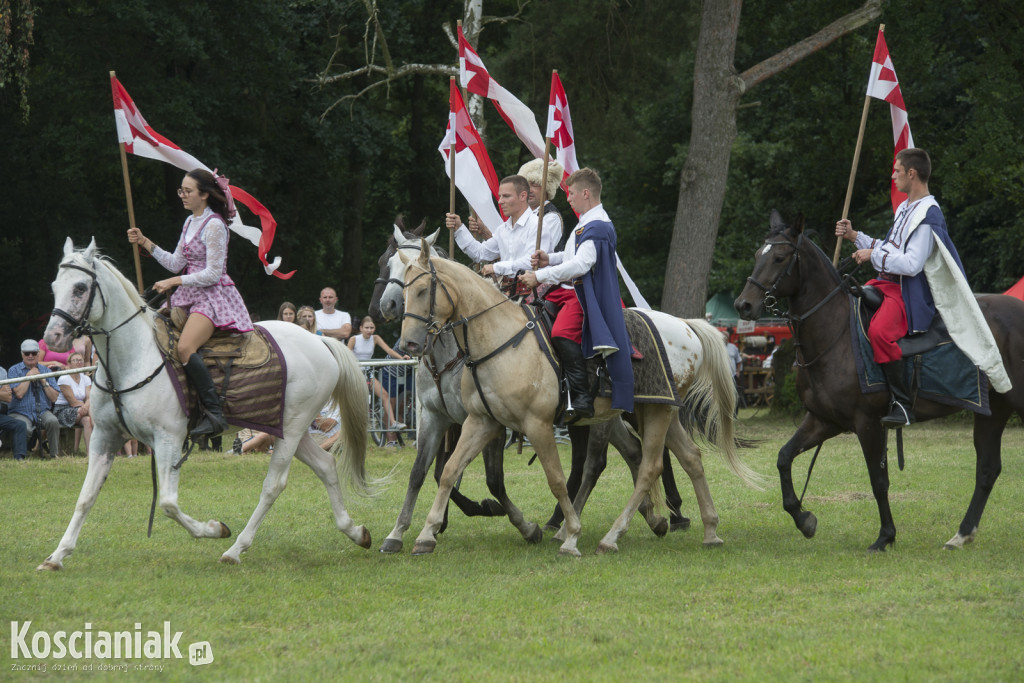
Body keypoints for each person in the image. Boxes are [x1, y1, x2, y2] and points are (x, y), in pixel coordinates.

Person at [836, 147, 972, 427]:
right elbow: (891, 248)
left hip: (907, 291)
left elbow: (911, 264)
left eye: (896, 170)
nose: (893, 175)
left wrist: (871, 256)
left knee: (879, 332)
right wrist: (855, 237)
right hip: (885, 283)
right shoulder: (905, 208)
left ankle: (902, 404)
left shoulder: (928, 214)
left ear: (911, 173)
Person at [128, 168, 253, 438]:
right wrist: (145, 242)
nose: (182, 195)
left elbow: (213, 273)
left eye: (188, 191)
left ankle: (215, 414)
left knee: (185, 348)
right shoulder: (189, 222)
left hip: (212, 297)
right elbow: (176, 263)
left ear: (205, 195)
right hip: (188, 294)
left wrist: (174, 283)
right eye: (180, 190)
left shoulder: (215, 225)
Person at [521, 168, 633, 422]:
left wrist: (539, 275)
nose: (568, 199)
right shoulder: (586, 223)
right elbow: (573, 256)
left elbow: (581, 266)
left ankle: (581, 396)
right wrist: (550, 258)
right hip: (566, 290)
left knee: (560, 333)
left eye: (571, 194)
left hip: (584, 296)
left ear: (585, 193)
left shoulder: (597, 226)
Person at [445, 175, 560, 289]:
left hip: (533, 293)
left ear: (523, 196)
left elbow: (531, 262)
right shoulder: (502, 229)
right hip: (507, 291)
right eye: (500, 196)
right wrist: (459, 228)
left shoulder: (538, 226)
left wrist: (496, 268)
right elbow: (480, 253)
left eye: (506, 196)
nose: (500, 201)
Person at [348, 316, 409, 447]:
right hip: (356, 373)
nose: (369, 331)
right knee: (360, 400)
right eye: (366, 328)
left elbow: (389, 350)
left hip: (368, 373)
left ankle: (393, 422)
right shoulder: (354, 339)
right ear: (361, 328)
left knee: (384, 395)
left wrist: (401, 358)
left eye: (372, 328)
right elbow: (347, 355)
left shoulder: (375, 338)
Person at [8, 339, 60, 459]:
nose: (30, 356)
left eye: (33, 353)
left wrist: (43, 380)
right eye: (27, 353)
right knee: (24, 427)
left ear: (38, 354)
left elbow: (54, 397)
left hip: (42, 410)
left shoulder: (46, 371)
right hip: (19, 411)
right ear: (22, 354)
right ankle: (22, 454)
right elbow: (19, 394)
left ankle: (54, 455)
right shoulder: (14, 370)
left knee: (53, 421)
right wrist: (28, 377)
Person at [518, 158, 567, 252]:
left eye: (534, 184)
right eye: (526, 185)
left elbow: (535, 252)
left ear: (547, 188)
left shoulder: (551, 217)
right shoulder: (523, 214)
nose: (529, 190)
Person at [53, 350, 93, 454]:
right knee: (90, 413)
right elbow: (73, 402)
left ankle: (90, 454)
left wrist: (86, 407)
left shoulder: (86, 379)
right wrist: (86, 407)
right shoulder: (64, 378)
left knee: (88, 420)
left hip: (81, 409)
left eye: (80, 360)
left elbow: (89, 397)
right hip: (63, 409)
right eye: (75, 360)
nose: (78, 362)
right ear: (69, 364)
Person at [0, 355, 30, 461]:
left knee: (20, 425)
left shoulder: (2, 371)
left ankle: (19, 457)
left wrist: (3, 393)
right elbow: (3, 394)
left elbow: (8, 397)